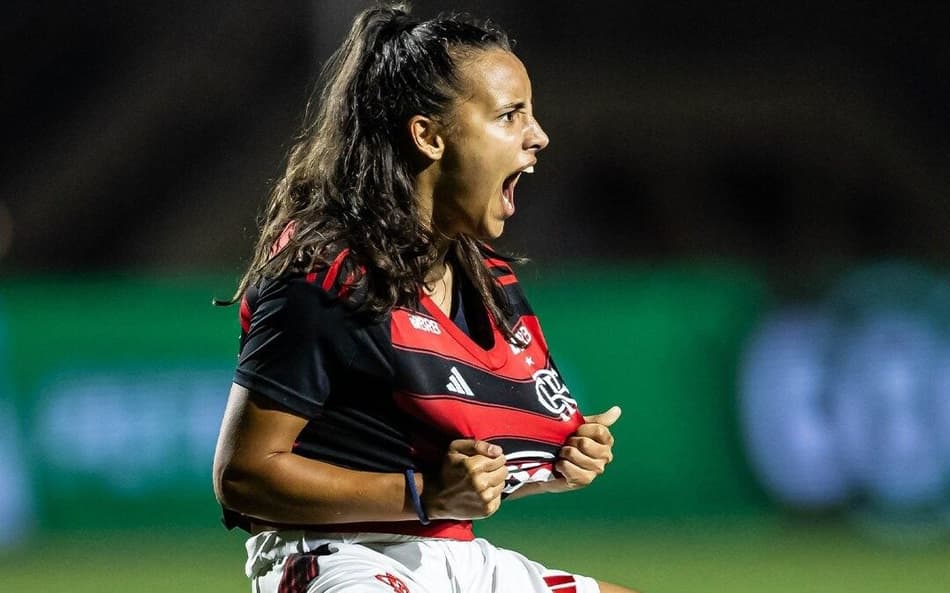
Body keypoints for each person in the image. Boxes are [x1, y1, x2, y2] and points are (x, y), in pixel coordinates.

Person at [212, 4, 636, 593]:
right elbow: (243, 477)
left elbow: (459, 470)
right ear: (429, 136)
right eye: (510, 116)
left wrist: (551, 466)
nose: (539, 137)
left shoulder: (484, 278)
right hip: (339, 560)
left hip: (453, 556)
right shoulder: (326, 276)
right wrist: (426, 493)